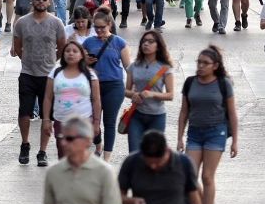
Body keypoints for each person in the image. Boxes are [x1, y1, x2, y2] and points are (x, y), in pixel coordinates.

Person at [177, 45, 238, 204]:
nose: (201, 66)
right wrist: (180, 137)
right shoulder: (190, 82)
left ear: (215, 66)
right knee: (190, 176)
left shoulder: (223, 84)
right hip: (194, 133)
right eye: (199, 62)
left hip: (216, 133)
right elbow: (183, 112)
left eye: (205, 63)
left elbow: (232, 113)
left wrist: (235, 141)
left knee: (207, 177)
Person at [13, 0, 66, 166]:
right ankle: (25, 144)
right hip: (27, 73)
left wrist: (51, 61)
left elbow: (62, 46)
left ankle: (42, 151)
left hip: (48, 77)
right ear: (32, 0)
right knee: (24, 113)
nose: (41, 1)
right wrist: (27, 60)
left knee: (47, 116)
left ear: (49, 1)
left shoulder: (56, 23)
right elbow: (18, 47)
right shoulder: (22, 23)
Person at [43, 116, 121, 204]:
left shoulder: (104, 172)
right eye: (62, 138)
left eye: (70, 139)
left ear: (88, 141)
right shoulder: (53, 172)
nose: (63, 143)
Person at [119, 130, 204, 204]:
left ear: (167, 151)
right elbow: (117, 195)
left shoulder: (184, 164)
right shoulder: (131, 162)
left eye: (158, 163)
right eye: (149, 163)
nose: (153, 166)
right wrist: (131, 202)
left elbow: (194, 201)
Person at [83, 11, 131, 162]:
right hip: (92, 86)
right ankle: (98, 144)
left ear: (109, 25)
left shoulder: (119, 42)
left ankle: (107, 159)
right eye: (96, 27)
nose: (98, 31)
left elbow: (128, 67)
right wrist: (85, 62)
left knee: (109, 122)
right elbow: (76, 65)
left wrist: (133, 87)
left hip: (114, 87)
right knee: (92, 120)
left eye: (102, 27)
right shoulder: (88, 42)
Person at [42, 41, 100, 160]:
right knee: (63, 154)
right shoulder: (56, 73)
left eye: (75, 51)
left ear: (81, 55)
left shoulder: (90, 74)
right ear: (63, 54)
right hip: (61, 120)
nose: (71, 54)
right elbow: (48, 98)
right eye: (67, 51)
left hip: (84, 121)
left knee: (80, 154)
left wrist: (96, 122)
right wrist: (46, 120)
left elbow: (96, 100)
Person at [125, 31, 174, 152]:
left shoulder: (165, 68)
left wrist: (152, 94)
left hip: (157, 117)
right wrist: (133, 94)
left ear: (158, 46)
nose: (146, 44)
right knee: (134, 153)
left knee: (153, 154)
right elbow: (126, 90)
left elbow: (170, 95)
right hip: (136, 115)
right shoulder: (134, 66)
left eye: (151, 41)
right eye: (144, 41)